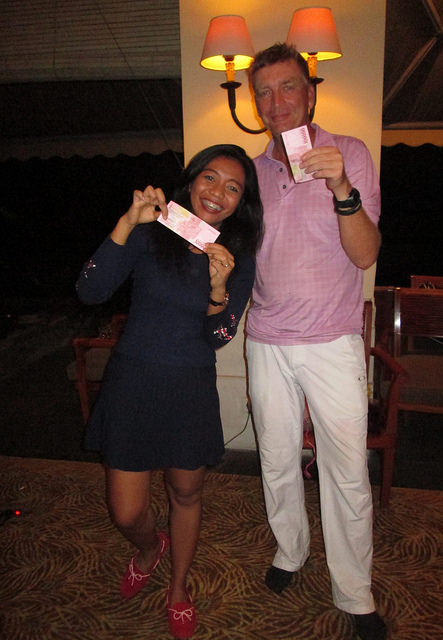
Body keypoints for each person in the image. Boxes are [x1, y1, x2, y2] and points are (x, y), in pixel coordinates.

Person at [76, 144, 263, 639]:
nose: (217, 193)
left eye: (233, 188)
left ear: (241, 203)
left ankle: (178, 587)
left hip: (189, 389)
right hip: (133, 383)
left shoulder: (236, 258)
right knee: (126, 510)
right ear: (192, 180)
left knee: (186, 492)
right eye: (210, 177)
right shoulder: (153, 230)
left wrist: (218, 291)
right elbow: (89, 291)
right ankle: (148, 547)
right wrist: (128, 222)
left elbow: (218, 336)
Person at [245, 44, 386, 640]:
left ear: (309, 93)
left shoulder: (349, 152)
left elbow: (366, 254)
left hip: (332, 340)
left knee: (347, 471)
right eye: (263, 92)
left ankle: (355, 591)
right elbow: (216, 237)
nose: (275, 102)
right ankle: (290, 549)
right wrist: (162, 219)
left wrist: (341, 186)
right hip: (266, 340)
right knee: (276, 459)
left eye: (287, 87)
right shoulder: (251, 170)